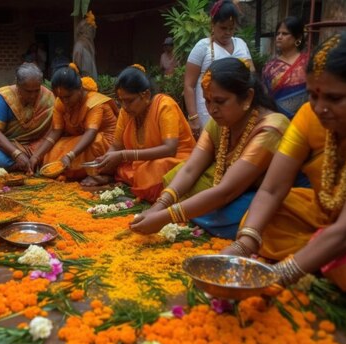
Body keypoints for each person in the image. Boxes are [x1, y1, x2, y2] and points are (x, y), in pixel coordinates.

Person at [223, 29, 346, 301]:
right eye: (313, 95)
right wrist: (243, 246)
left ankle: (322, 253)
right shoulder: (308, 115)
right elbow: (271, 190)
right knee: (259, 222)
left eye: (334, 98)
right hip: (324, 212)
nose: (320, 108)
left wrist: (278, 275)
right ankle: (321, 252)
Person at [130, 58, 289, 239]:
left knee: (242, 212)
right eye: (207, 101)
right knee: (178, 176)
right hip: (223, 185)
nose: (212, 110)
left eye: (220, 101)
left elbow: (227, 191)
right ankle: (198, 212)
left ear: (248, 97)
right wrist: (158, 207)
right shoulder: (220, 122)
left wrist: (166, 217)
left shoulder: (270, 128)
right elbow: (191, 169)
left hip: (253, 195)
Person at [93, 64, 196, 202]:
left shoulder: (165, 105)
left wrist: (124, 155)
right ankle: (138, 184)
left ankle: (144, 188)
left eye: (129, 101)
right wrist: (105, 162)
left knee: (156, 169)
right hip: (142, 163)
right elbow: (116, 146)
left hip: (176, 159)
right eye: (121, 101)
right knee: (126, 168)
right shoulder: (126, 112)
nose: (124, 106)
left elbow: (170, 149)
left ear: (146, 95)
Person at [31, 63, 118, 183]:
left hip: (105, 143)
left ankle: (101, 174)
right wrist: (37, 156)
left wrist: (70, 156)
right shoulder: (60, 102)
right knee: (54, 151)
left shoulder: (95, 103)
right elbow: (56, 131)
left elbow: (91, 133)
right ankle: (75, 172)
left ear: (80, 89)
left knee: (96, 142)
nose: (64, 101)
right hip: (80, 139)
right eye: (60, 97)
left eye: (68, 96)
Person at [183, 0, 253, 139]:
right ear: (212, 24)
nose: (227, 32)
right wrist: (194, 117)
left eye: (231, 28)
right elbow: (189, 85)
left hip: (237, 110)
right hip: (208, 111)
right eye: (223, 28)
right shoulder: (202, 47)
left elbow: (252, 75)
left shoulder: (241, 44)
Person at [0, 63, 55, 174]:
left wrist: (37, 155)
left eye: (36, 90)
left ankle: (26, 164)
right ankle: (26, 165)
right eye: (28, 91)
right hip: (8, 146)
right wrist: (16, 154)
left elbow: (54, 131)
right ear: (18, 85)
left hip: (38, 145)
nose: (33, 96)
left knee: (59, 153)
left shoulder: (48, 98)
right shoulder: (5, 97)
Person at [262, 16, 308, 119]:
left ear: (298, 37)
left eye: (285, 33)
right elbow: (265, 97)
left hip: (304, 120)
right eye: (278, 33)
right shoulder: (270, 66)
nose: (279, 37)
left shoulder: (308, 63)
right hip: (278, 120)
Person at [72, 11, 98, 79]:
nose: (92, 32)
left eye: (92, 30)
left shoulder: (90, 44)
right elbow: (77, 64)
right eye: (90, 29)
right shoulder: (79, 45)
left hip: (91, 80)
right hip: (84, 80)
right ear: (84, 31)